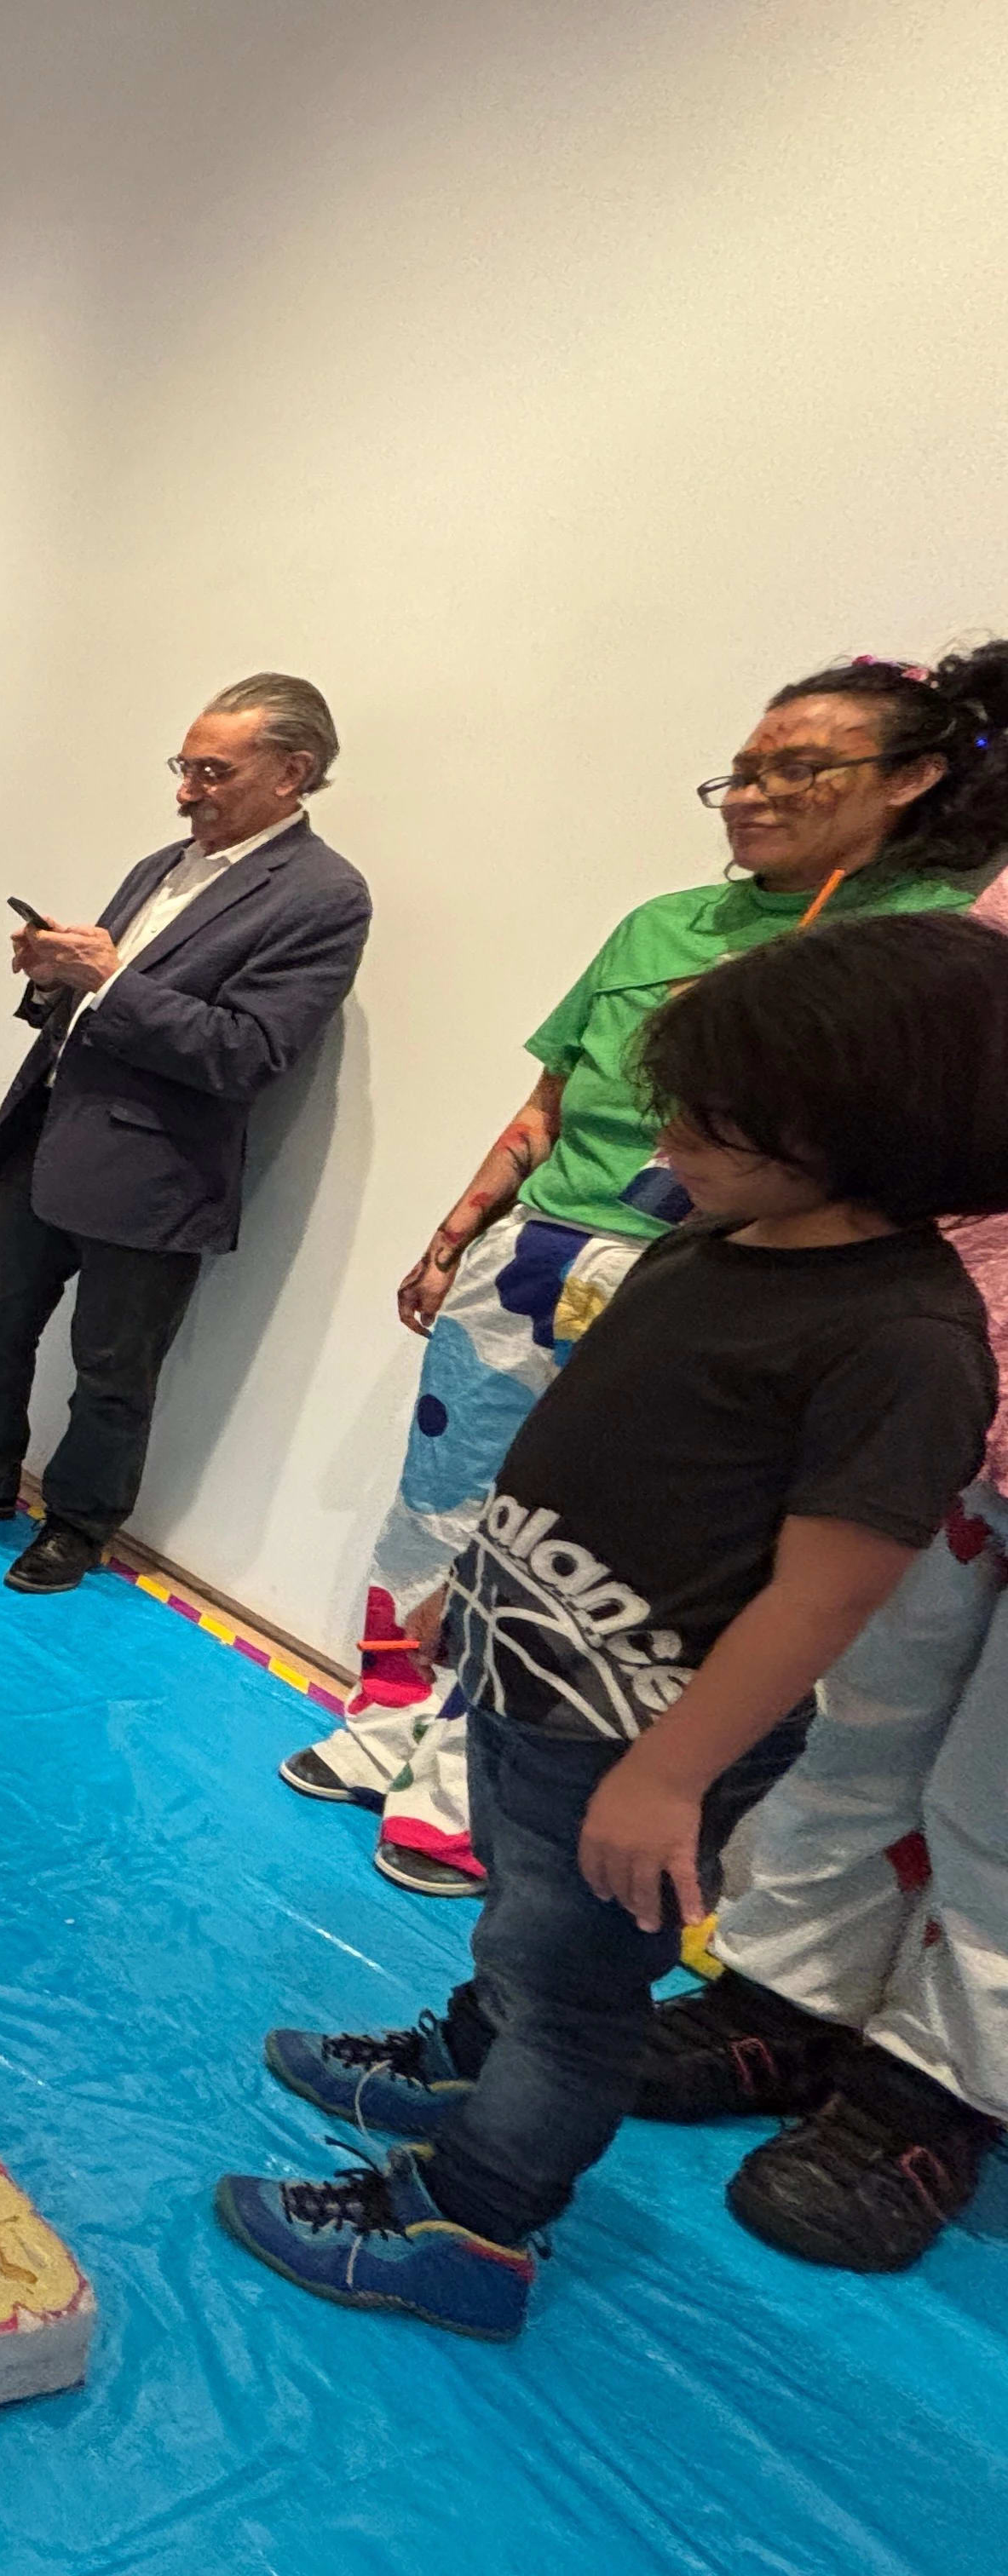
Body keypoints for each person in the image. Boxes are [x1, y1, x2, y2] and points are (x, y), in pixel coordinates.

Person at [218, 911, 1008, 2340]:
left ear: (862, 1128)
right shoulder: (720, 1237)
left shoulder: (901, 1339)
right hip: (542, 1675)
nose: (666, 1141)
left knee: (579, 1993)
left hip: (642, 1732)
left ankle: (473, 2218)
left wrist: (670, 1771)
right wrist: (484, 1586)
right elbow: (595, 1435)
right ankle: (469, 2051)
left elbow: (829, 1588)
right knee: (524, 1926)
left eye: (710, 1119)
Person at [288, 647, 1008, 1896]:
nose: (750, 793)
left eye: (798, 768)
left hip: (701, 1281)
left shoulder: (927, 948)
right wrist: (462, 1228)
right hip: (538, 1256)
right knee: (450, 1501)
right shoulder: (661, 924)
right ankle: (389, 1726)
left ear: (916, 778)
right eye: (738, 770)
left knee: (595, 1548)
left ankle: (473, 1786)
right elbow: (555, 1094)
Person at [625, 866, 1008, 2274]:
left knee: (998, 1803)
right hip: (955, 1378)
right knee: (855, 1721)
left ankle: (934, 2086)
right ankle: (782, 1993)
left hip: (937, 1354)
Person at [0, 676, 370, 1592]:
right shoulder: (162, 865)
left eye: (212, 770)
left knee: (111, 1369)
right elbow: (102, 1001)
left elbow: (249, 1053)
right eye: (184, 766)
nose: (186, 789)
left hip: (158, 1173)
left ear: (292, 772)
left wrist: (109, 978)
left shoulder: (324, 895)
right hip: (50, 1134)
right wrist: (53, 972)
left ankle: (79, 1525)